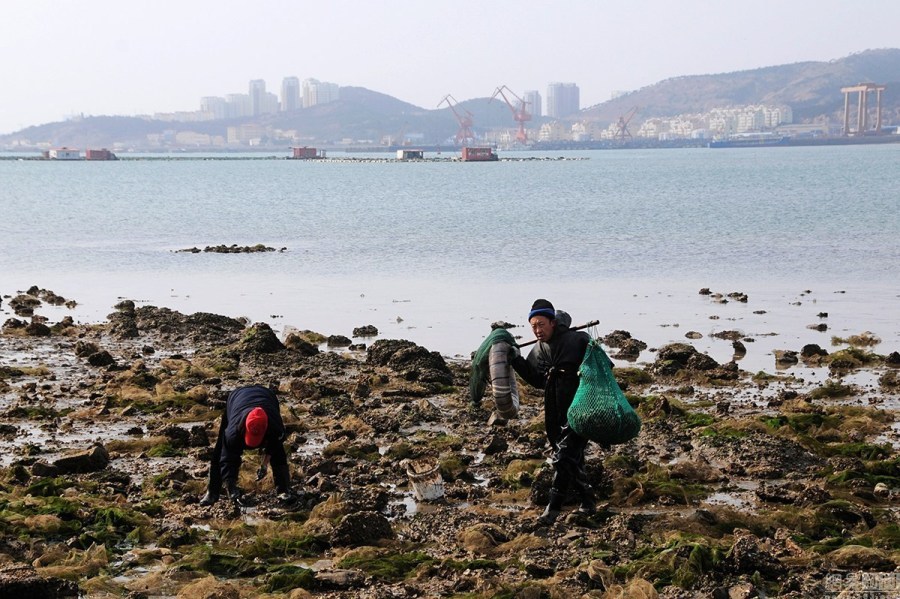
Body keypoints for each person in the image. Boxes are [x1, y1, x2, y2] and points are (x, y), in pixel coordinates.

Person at [511, 298, 596, 524]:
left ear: (552, 321)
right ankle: (588, 500)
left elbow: (600, 369)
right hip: (554, 410)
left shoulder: (577, 340)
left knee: (562, 457)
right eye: (533, 326)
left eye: (541, 324)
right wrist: (516, 360)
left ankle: (552, 509)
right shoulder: (540, 348)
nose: (537, 330)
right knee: (571, 458)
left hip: (580, 408)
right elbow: (537, 380)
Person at [200, 384, 291, 506]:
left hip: (267, 397)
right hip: (237, 398)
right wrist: (231, 487)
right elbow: (228, 459)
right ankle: (212, 492)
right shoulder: (233, 432)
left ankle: (284, 490)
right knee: (220, 449)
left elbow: (274, 446)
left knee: (278, 452)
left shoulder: (276, 427)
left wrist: (264, 465)